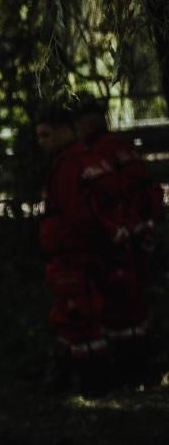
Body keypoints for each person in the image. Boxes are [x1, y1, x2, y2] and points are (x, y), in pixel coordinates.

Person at [74, 95, 162, 385]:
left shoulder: (98, 153)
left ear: (88, 123)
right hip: (137, 233)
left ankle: (129, 371)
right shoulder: (123, 147)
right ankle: (141, 366)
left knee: (119, 306)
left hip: (120, 238)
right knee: (134, 304)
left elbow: (105, 198)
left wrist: (115, 230)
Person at [35, 104, 109, 393]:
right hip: (74, 253)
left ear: (65, 131)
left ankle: (92, 384)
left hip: (73, 255)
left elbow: (77, 214)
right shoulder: (80, 160)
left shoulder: (69, 165)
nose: (41, 142)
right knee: (74, 318)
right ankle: (79, 381)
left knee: (80, 319)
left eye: (46, 135)